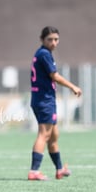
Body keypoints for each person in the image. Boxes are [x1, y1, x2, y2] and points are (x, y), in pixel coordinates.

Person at [28, 26, 82, 181]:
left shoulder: (43, 53)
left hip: (44, 99)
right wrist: (73, 86)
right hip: (44, 100)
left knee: (53, 136)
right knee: (44, 134)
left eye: (56, 39)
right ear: (42, 40)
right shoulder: (44, 54)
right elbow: (55, 76)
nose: (53, 42)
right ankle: (34, 171)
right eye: (50, 39)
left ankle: (59, 169)